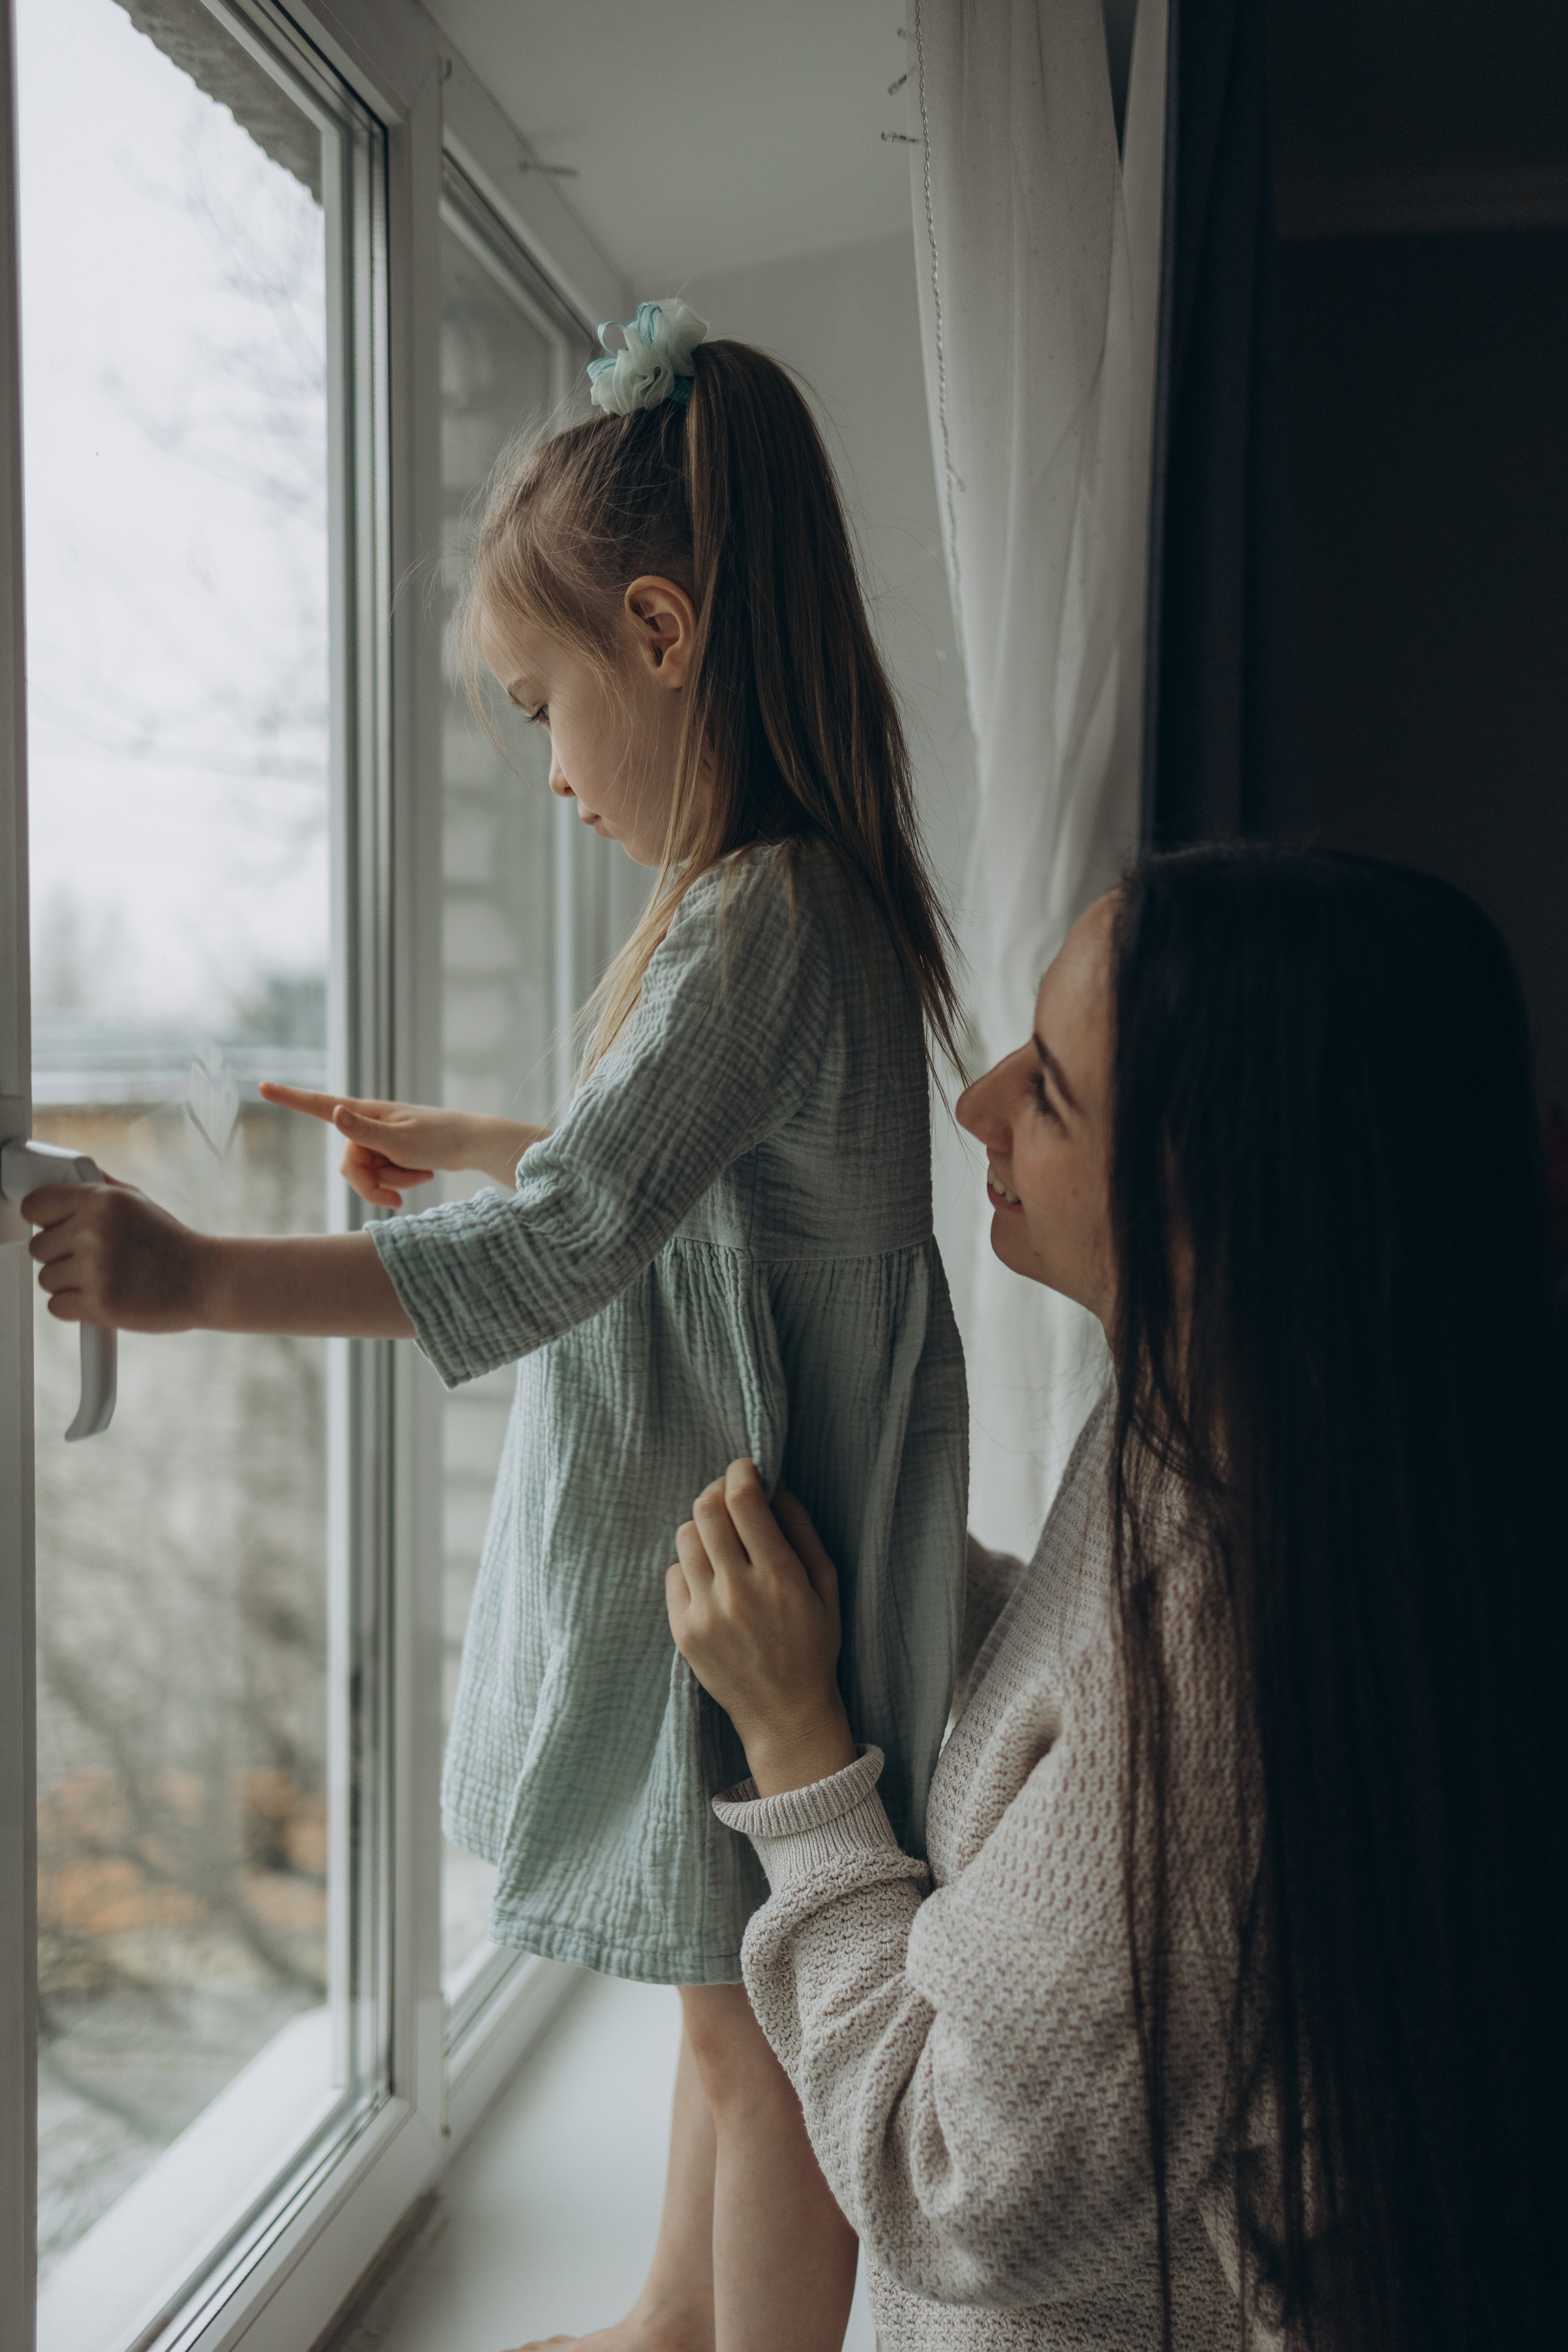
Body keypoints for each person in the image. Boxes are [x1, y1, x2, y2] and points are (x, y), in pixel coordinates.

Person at [21, 301, 970, 2352]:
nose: (546, 774)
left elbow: (576, 1243)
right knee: (729, 2020)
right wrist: (477, 1141)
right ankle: (664, 2319)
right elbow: (718, 1188)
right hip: (769, 1531)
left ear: (659, 632)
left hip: (759, 1567)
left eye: (540, 707)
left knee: (760, 2042)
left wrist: (193, 1285)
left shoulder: (759, 913)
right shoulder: (806, 907)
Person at [668, 845, 1567, 2351]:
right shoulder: (1237, 1429)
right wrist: (896, 1575)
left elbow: (950, 2184)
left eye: (1052, 1093)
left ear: (1215, 1196)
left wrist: (798, 1750)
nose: (978, 1105)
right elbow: (1074, 1693)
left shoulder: (1225, 1665)